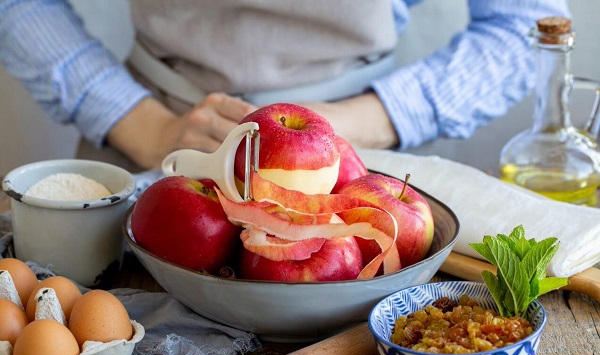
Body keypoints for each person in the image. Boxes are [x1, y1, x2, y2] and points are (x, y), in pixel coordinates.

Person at [0, 1, 570, 172]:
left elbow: (528, 23)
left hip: (356, 159)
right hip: (151, 149)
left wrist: (362, 121)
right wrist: (144, 127)